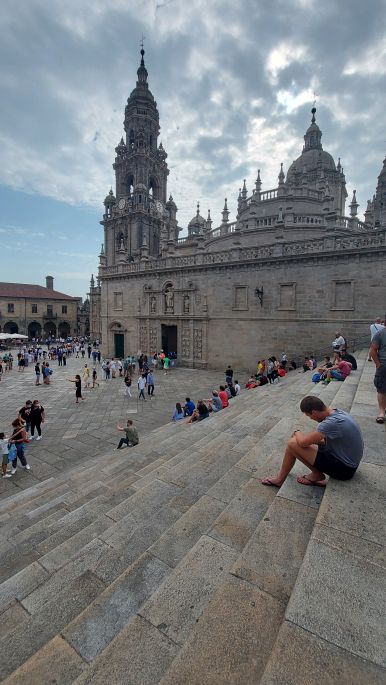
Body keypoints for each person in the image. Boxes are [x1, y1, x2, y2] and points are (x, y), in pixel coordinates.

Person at [262, 396, 363, 487]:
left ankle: (311, 475)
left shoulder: (330, 423)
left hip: (344, 469)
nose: (311, 418)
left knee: (293, 443)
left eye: (309, 416)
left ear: (314, 412)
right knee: (294, 445)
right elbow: (324, 441)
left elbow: (302, 443)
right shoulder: (337, 412)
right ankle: (285, 478)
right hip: (348, 461)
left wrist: (297, 432)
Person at [369, 325, 386, 423]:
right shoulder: (380, 334)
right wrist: (378, 364)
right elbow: (373, 350)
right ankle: (381, 412)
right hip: (384, 365)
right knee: (381, 390)